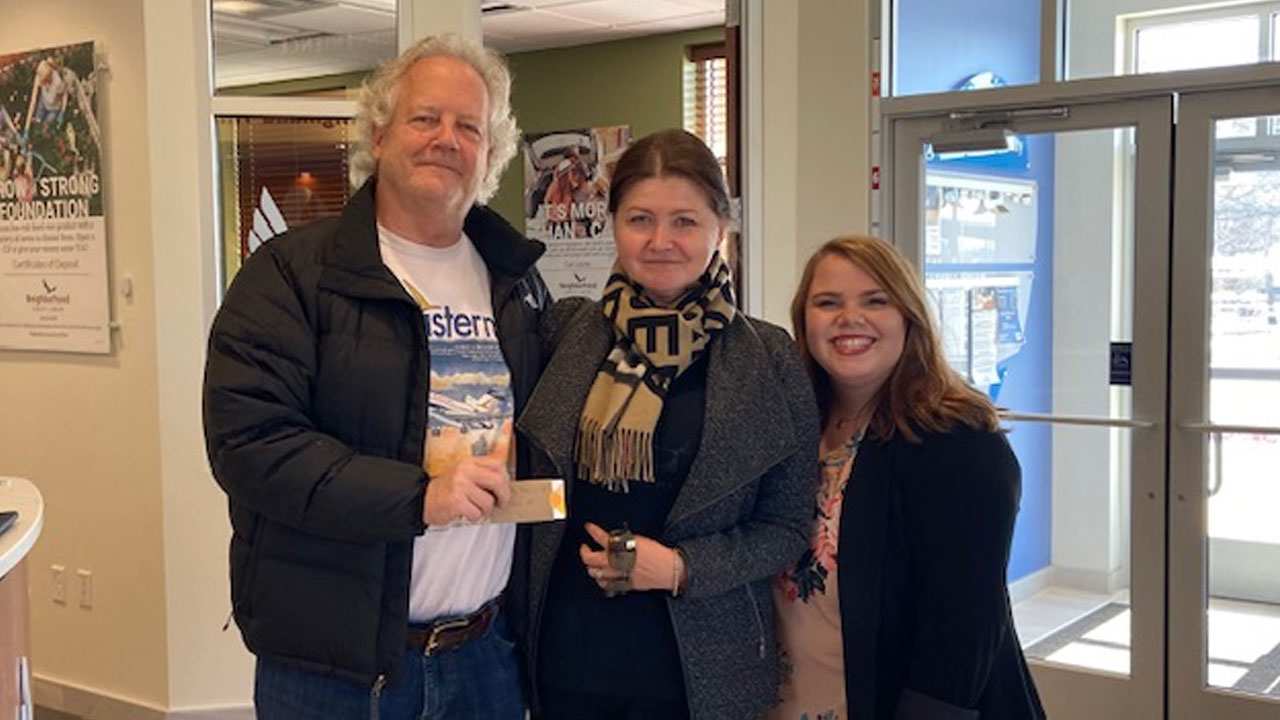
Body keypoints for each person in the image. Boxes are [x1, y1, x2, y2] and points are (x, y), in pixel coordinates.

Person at [202, 34, 548, 720]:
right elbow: (251, 445)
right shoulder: (291, 275)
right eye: (425, 118)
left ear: (490, 154)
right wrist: (418, 498)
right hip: (335, 669)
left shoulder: (518, 283)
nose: (445, 139)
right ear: (380, 133)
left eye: (468, 126)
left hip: (485, 657)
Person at [513, 128, 820, 720]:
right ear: (613, 226)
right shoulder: (568, 333)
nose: (660, 241)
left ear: (720, 229)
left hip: (701, 668)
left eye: (684, 221)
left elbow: (784, 526)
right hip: (565, 657)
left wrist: (679, 569)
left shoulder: (768, 358)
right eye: (640, 220)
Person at [770, 235, 1045, 720]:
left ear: (908, 317)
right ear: (804, 321)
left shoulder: (958, 441)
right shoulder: (791, 427)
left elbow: (963, 625)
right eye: (827, 303)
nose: (848, 318)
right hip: (794, 698)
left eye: (875, 301)